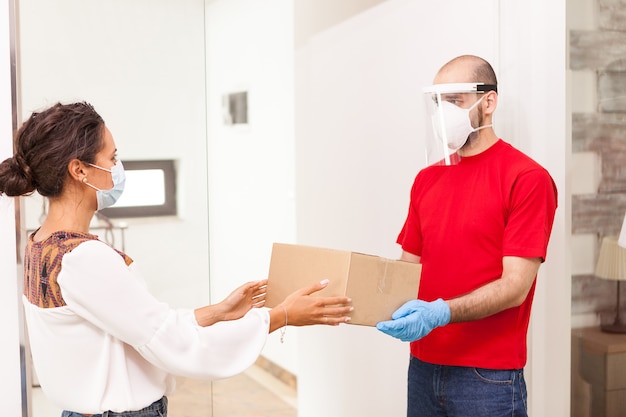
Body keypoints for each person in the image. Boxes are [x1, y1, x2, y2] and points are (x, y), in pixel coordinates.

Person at [0, 101, 354, 417]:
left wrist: (217, 313)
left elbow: (141, 326)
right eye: (112, 158)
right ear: (79, 170)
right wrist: (280, 316)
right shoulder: (83, 259)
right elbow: (173, 344)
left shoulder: (41, 244)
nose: (117, 168)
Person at [376, 55, 558, 417]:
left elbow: (515, 286)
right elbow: (407, 268)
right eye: (439, 103)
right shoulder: (427, 179)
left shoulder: (526, 178)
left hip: (487, 377)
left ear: (488, 102)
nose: (444, 113)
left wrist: (441, 312)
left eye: (455, 101)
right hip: (423, 366)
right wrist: (353, 294)